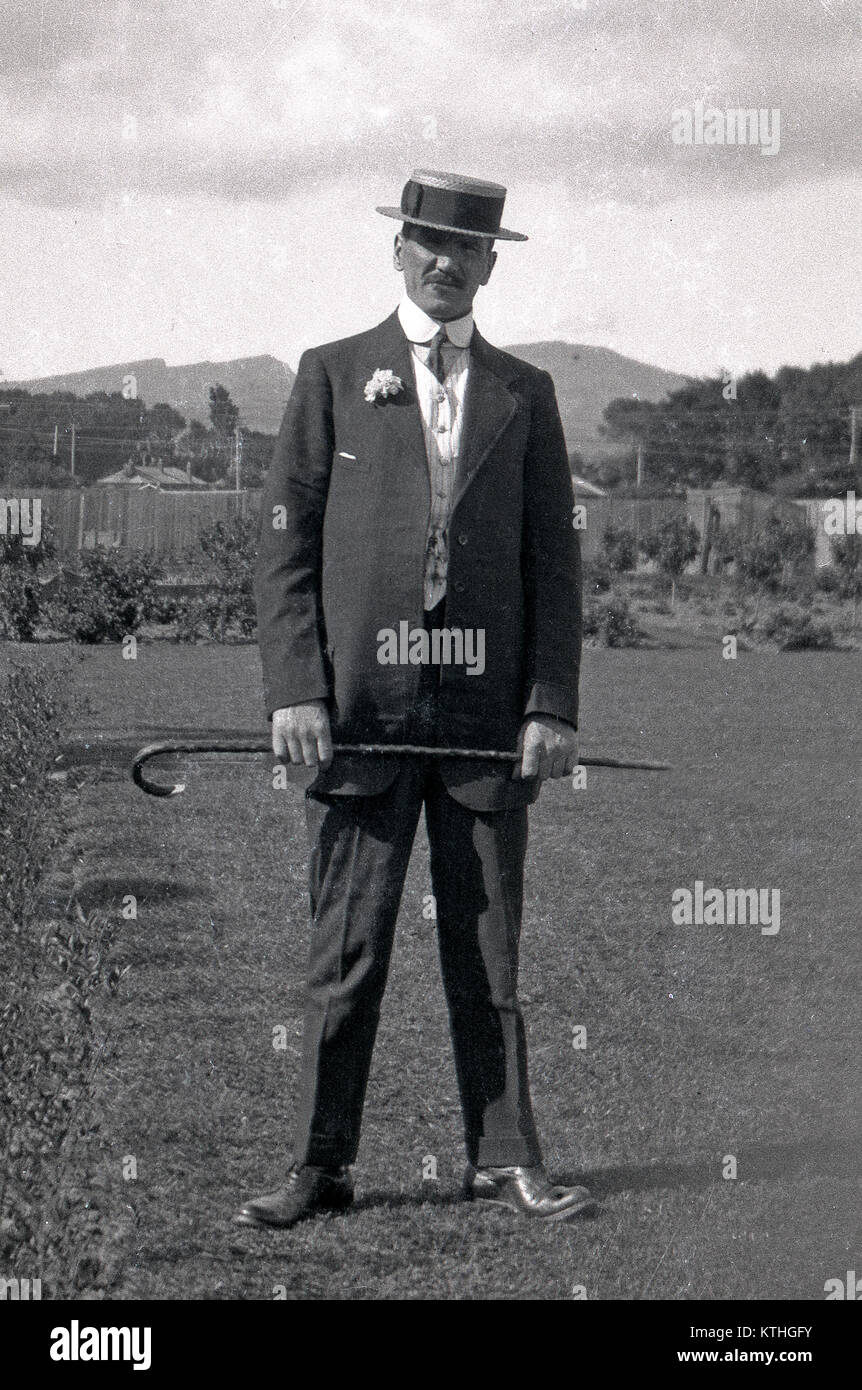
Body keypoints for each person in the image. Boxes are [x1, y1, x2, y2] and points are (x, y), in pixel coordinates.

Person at [242, 169, 595, 1227]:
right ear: (399, 248)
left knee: (487, 957)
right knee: (344, 956)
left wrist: (549, 705)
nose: (448, 262)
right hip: (359, 718)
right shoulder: (332, 375)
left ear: (491, 263)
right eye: (430, 242)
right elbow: (283, 555)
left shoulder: (526, 393)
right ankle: (319, 1163)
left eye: (469, 249)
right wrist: (298, 689)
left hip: (486, 725)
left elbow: (553, 565)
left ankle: (503, 1157)